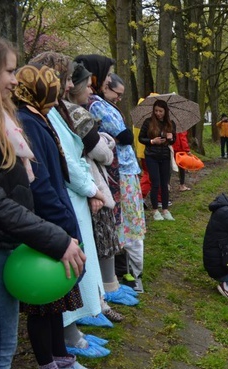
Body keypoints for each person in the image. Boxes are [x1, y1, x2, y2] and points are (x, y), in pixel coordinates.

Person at [0, 35, 86, 369]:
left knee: (3, 349)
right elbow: (0, 201)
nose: (15, 79)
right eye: (9, 70)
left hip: (9, 244)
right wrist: (53, 236)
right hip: (2, 244)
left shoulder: (6, 122)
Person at [14, 63, 101, 369]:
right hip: (46, 223)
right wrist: (63, 223)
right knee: (42, 300)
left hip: (57, 219)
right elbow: (41, 182)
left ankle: (61, 357)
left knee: (58, 296)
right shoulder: (28, 123)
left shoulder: (40, 118)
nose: (60, 89)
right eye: (54, 84)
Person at [28, 52, 113, 358]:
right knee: (66, 273)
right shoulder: (41, 115)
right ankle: (66, 339)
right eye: (64, 78)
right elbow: (63, 160)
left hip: (70, 198)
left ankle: (73, 330)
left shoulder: (53, 110)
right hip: (63, 201)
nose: (69, 85)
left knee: (76, 271)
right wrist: (91, 188)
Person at [74, 56, 146, 292]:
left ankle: (124, 274)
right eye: (106, 78)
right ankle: (126, 275)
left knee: (126, 222)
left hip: (122, 169)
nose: (106, 83)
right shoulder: (93, 105)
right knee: (122, 223)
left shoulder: (98, 103)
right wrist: (115, 138)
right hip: (114, 172)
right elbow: (121, 137)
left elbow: (123, 136)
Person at [137, 99, 176, 221]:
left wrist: (171, 137)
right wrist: (152, 141)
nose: (158, 113)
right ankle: (155, 211)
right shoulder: (148, 122)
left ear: (165, 111)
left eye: (161, 111)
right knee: (155, 183)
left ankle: (165, 209)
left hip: (164, 156)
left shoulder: (170, 124)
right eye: (156, 111)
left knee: (165, 184)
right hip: (151, 156)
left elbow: (173, 140)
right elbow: (141, 138)